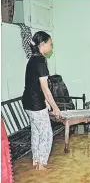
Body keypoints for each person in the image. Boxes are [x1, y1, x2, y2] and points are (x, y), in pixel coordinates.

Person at [22, 31, 61, 171]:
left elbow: (34, 84)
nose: (51, 47)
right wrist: (54, 107)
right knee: (46, 133)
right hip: (35, 104)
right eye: (50, 44)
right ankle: (41, 164)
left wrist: (44, 101)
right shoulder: (41, 61)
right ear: (42, 44)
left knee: (36, 132)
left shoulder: (33, 59)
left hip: (28, 102)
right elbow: (45, 88)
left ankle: (36, 160)